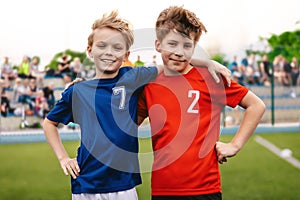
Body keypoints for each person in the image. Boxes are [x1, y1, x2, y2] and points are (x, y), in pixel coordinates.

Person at [43, 10, 231, 200]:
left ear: (126, 54)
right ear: (90, 49)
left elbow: (172, 60)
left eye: (117, 47)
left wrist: (207, 63)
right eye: (102, 45)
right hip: (85, 183)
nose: (109, 52)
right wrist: (63, 158)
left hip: (124, 184)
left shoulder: (133, 77)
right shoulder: (78, 91)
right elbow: (49, 123)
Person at [137, 6, 266, 199]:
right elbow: (130, 125)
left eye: (187, 46)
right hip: (164, 189)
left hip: (206, 189)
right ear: (158, 45)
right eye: (172, 44)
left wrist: (234, 145)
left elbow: (256, 105)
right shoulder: (148, 84)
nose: (179, 52)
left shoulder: (211, 78)